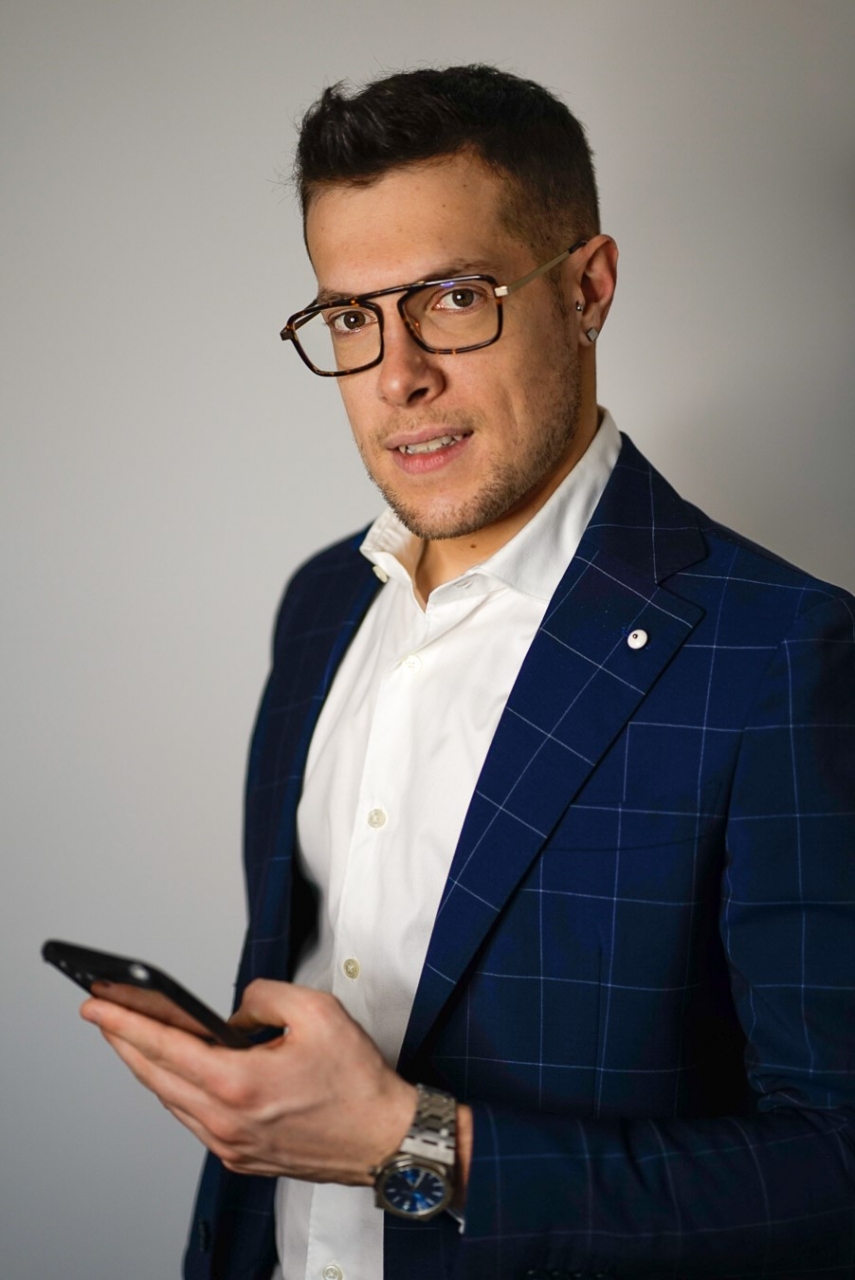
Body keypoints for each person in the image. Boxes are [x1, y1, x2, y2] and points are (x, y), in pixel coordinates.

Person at [81, 65, 855, 1280]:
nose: (398, 375)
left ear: (588, 289)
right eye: (351, 317)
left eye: (453, 296)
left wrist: (413, 1146)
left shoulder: (781, 654)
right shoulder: (321, 605)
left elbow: (837, 1167)